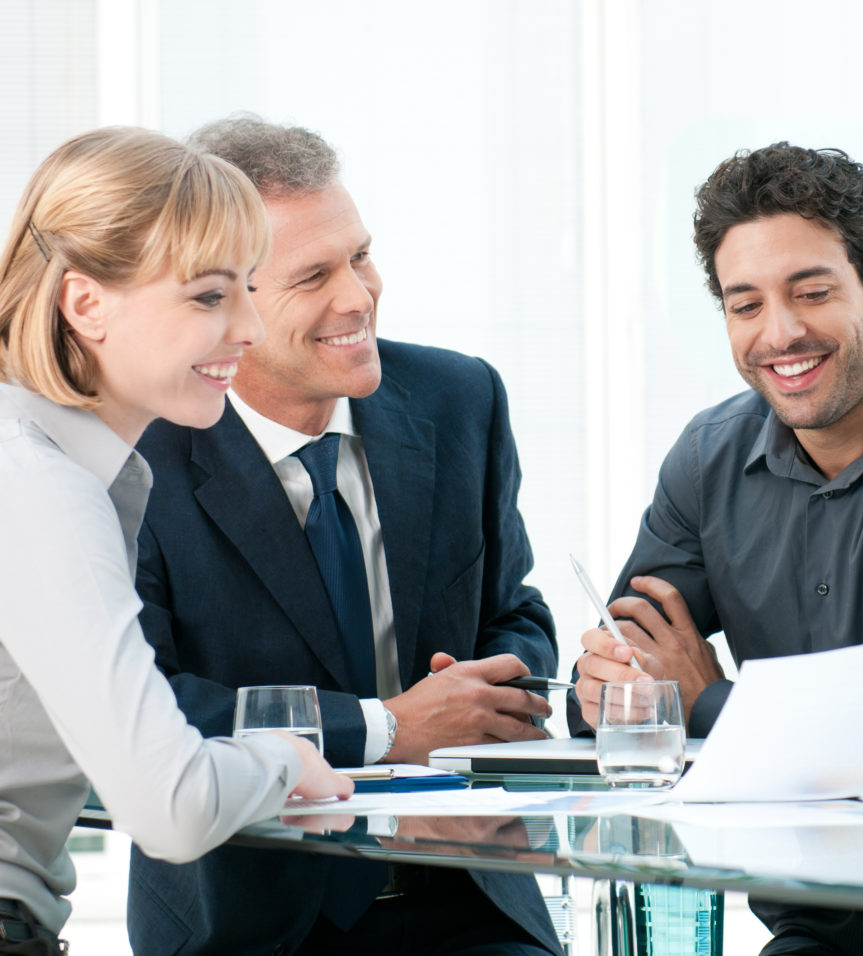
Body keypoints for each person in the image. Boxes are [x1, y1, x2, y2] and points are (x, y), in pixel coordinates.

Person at [568, 143, 863, 955]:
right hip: (812, 927)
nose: (778, 333)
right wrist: (616, 687)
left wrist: (705, 700)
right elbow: (618, 691)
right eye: (744, 304)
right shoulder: (708, 457)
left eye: (812, 293)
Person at [126, 116, 562, 956]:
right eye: (314, 275)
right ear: (220, 304)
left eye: (360, 256)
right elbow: (150, 707)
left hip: (470, 899)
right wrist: (387, 725)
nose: (359, 295)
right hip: (251, 920)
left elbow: (516, 611)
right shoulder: (138, 455)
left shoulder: (458, 399)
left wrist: (490, 687)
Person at [0, 126, 352, 955]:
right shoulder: (39, 486)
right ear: (85, 304)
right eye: (208, 296)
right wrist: (285, 760)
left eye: (249, 290)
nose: (250, 329)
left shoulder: (61, 468)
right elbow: (172, 806)